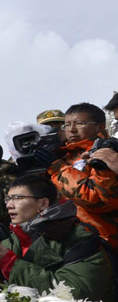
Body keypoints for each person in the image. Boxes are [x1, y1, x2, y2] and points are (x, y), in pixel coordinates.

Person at [0, 174, 114, 302]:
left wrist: (9, 263)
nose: (9, 205)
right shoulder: (14, 239)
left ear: (43, 204)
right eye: (8, 199)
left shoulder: (77, 236)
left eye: (18, 198)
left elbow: (72, 292)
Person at [49, 102, 118, 250]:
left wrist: (58, 169)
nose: (72, 130)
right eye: (66, 125)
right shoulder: (64, 156)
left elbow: (97, 201)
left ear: (100, 127)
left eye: (79, 124)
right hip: (69, 242)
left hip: (103, 241)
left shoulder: (107, 152)